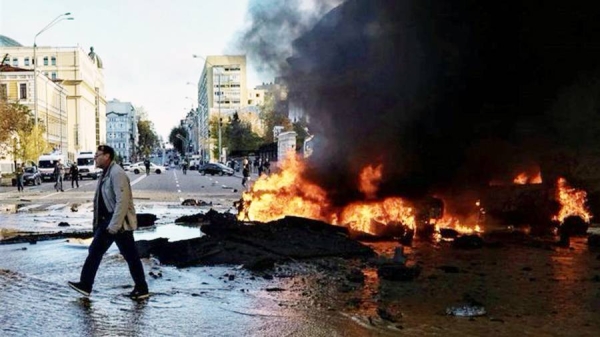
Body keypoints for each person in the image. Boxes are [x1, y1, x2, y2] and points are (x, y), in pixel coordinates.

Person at [68, 145, 149, 300]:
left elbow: (122, 201)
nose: (95, 158)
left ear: (107, 156)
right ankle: (141, 287)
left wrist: (114, 225)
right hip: (109, 221)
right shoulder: (106, 172)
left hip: (115, 222)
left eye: (97, 155)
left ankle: (86, 285)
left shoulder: (117, 173)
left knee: (96, 252)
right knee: (129, 256)